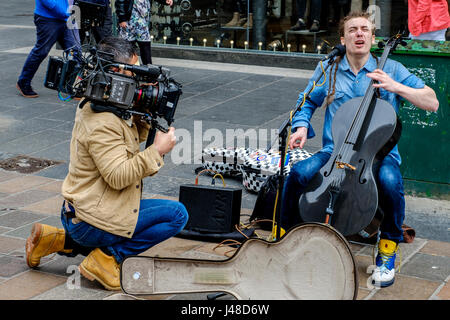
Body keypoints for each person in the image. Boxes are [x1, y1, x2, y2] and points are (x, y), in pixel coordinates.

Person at [281, 11, 439, 288]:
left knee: (391, 183)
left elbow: (432, 101)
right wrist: (302, 126)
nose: (359, 34)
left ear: (373, 38)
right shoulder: (329, 69)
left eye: (365, 29)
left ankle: (387, 248)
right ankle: (288, 238)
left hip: (377, 156)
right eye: (352, 29)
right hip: (335, 152)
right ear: (343, 38)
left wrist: (395, 87)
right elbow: (305, 101)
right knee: (298, 174)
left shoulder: (391, 69)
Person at [25, 36, 189, 291]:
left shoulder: (103, 102)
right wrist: (157, 151)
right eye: (133, 73)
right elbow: (118, 175)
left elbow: (128, 143)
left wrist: (143, 116)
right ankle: (108, 259)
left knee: (141, 216)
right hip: (91, 219)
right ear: (116, 72)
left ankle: (52, 239)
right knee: (177, 215)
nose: (138, 81)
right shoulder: (103, 121)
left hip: (86, 211)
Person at [16, 0, 81, 98]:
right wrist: (60, 10)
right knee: (41, 51)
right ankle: (23, 82)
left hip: (71, 15)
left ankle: (73, 86)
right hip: (49, 17)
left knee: (76, 52)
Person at [116, 0, 173, 66]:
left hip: (142, 21)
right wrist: (122, 18)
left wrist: (165, 1)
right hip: (129, 21)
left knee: (145, 45)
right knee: (127, 47)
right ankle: (127, 70)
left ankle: (148, 70)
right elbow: (120, 1)